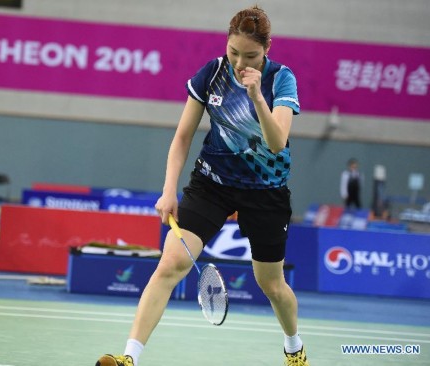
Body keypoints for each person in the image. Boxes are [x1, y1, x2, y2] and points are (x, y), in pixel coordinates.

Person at [97, 5, 309, 366]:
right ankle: (129, 357)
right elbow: (182, 138)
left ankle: (294, 346)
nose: (241, 62)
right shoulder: (212, 73)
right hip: (212, 182)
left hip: (266, 190)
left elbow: (277, 142)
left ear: (268, 48)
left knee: (271, 285)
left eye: (251, 56)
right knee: (170, 264)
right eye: (234, 53)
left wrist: (257, 95)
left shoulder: (280, 80)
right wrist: (168, 190)